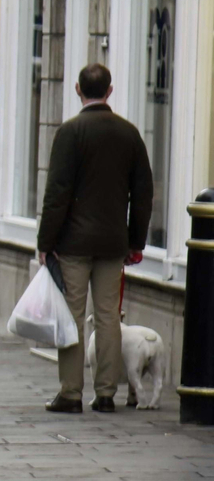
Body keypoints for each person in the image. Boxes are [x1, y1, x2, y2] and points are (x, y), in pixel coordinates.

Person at [36, 63, 153, 414]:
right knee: (107, 317)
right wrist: (136, 241)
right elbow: (143, 192)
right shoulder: (129, 134)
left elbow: (57, 193)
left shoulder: (70, 133)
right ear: (110, 91)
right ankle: (106, 393)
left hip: (73, 244)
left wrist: (46, 242)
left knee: (72, 316)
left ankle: (71, 393)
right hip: (113, 243)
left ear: (77, 89)